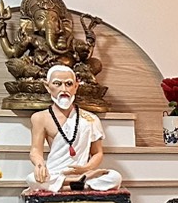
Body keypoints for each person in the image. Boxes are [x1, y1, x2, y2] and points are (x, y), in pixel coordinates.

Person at [28, 64, 122, 192]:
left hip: (84, 173)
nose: (64, 89)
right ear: (47, 86)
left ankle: (67, 185)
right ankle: (76, 184)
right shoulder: (40, 118)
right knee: (32, 179)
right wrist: (39, 165)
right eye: (57, 84)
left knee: (115, 177)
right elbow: (35, 150)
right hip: (55, 173)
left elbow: (97, 153)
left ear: (76, 86)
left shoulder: (90, 118)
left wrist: (86, 169)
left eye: (68, 84)